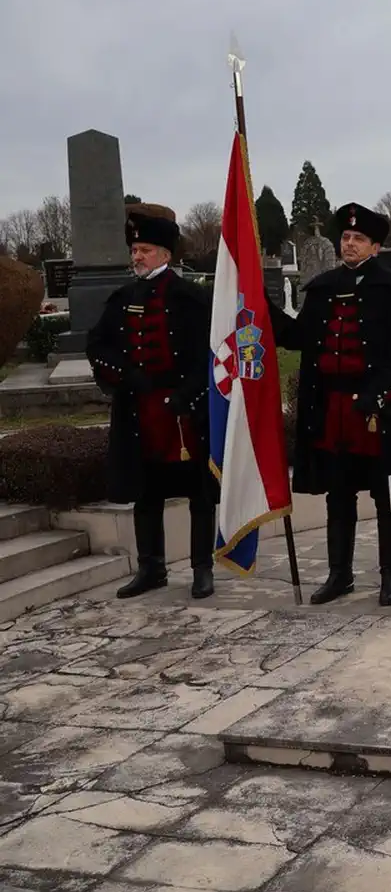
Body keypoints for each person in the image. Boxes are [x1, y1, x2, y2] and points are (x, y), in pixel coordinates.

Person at [266, 203, 391, 607]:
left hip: (378, 412)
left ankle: (390, 575)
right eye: (346, 237)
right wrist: (262, 305)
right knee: (338, 494)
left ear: (375, 247)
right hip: (331, 410)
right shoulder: (323, 288)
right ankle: (339, 575)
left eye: (358, 239)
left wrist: (373, 399)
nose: (349, 244)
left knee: (386, 496)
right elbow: (299, 337)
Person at [86, 204, 218, 600]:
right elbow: (98, 345)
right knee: (146, 494)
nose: (137, 257)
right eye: (134, 250)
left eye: (144, 250)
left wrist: (187, 395)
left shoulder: (191, 297)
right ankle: (151, 568)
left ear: (165, 253)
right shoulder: (122, 297)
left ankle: (202, 569)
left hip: (184, 414)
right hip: (139, 411)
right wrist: (126, 376)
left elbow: (209, 355)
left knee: (199, 494)